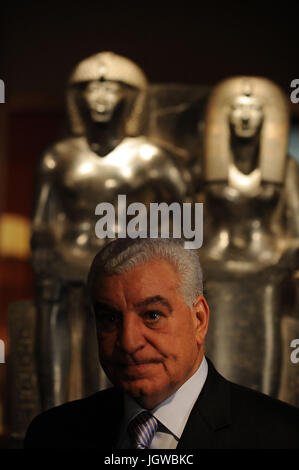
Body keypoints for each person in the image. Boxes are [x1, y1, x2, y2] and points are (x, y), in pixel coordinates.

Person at [24, 237, 299, 449]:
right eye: (110, 318)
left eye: (152, 315)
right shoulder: (53, 435)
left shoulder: (282, 437)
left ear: (199, 319)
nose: (129, 343)